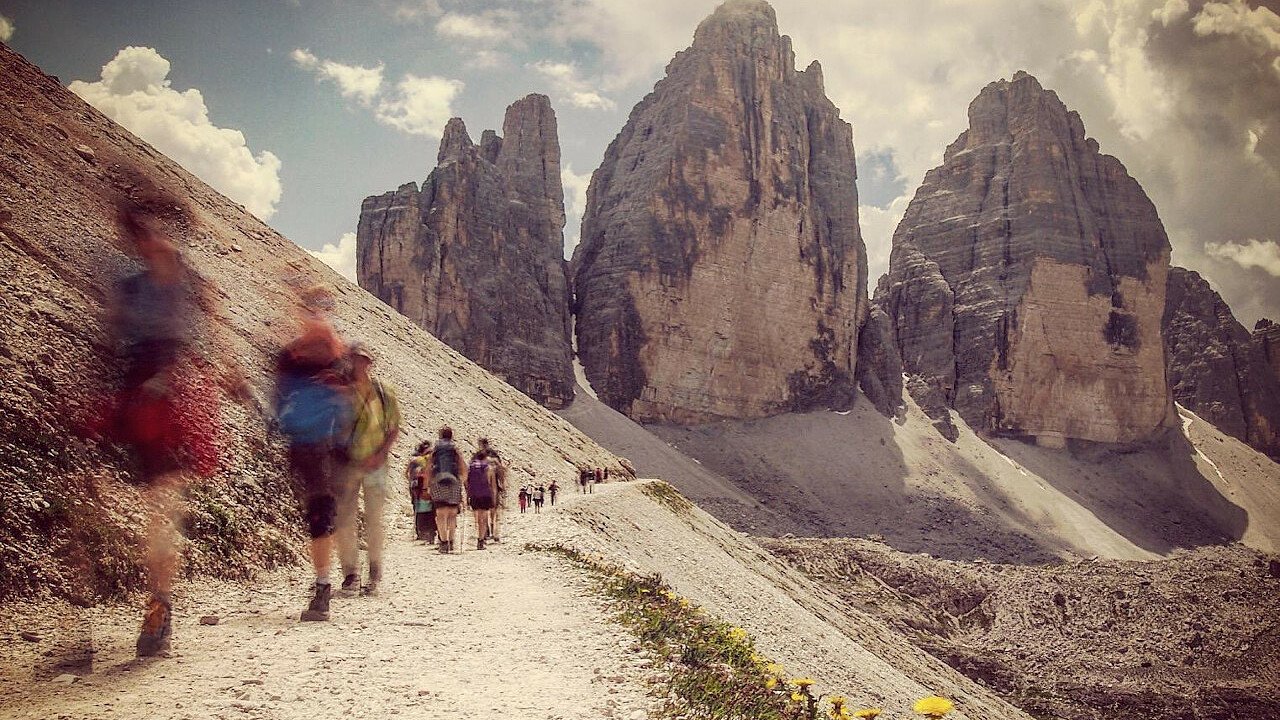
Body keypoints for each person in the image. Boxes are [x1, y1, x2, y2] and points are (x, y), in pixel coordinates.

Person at [109, 196, 231, 656]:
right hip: (136, 397)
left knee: (161, 505)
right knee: (147, 506)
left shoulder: (194, 287)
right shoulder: (130, 288)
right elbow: (111, 339)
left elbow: (213, 344)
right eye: (143, 232)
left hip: (176, 400)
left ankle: (159, 607)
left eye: (159, 230)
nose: (153, 240)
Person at [276, 285, 351, 622]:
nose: (318, 316)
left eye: (322, 308)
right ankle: (323, 581)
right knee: (320, 514)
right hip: (317, 445)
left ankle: (322, 586)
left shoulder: (315, 356)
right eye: (313, 308)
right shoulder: (303, 356)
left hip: (321, 446)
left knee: (319, 513)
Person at [334, 344, 400, 596]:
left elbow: (393, 427)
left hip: (376, 465)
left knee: (374, 518)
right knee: (345, 519)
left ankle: (374, 568)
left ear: (369, 362)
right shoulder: (340, 392)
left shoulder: (384, 393)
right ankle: (350, 573)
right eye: (354, 359)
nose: (358, 364)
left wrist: (380, 454)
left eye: (362, 360)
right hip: (347, 464)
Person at [427, 426, 466, 553]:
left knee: (441, 514)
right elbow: (462, 466)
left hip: (438, 481)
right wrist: (463, 481)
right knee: (452, 514)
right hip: (454, 481)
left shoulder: (436, 449)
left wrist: (428, 483)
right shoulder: (455, 449)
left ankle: (443, 543)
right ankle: (451, 541)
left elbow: (428, 466)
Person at [465, 449, 497, 550]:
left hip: (474, 495)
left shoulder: (470, 468)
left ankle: (479, 536)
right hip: (485, 495)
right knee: (484, 517)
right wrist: (494, 498)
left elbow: (467, 483)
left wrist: (467, 496)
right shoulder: (489, 468)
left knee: (477, 518)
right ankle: (481, 540)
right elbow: (493, 486)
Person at [407, 441, 436, 544]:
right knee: (431, 509)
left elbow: (406, 474)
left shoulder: (414, 460)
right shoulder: (430, 460)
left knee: (417, 508)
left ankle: (420, 532)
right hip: (428, 486)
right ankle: (431, 532)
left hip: (415, 487)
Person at [478, 437, 506, 543]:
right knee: (494, 509)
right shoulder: (493, 455)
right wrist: (502, 483)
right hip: (495, 486)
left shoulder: (479, 456)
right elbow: (501, 468)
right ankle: (494, 530)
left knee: (484, 509)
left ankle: (486, 531)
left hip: (482, 486)